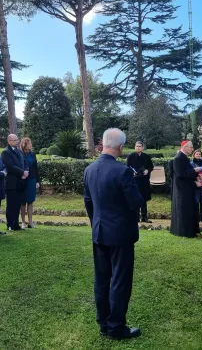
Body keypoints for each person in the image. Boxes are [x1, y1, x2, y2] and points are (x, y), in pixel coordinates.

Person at [83, 128, 144, 340]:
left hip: (99, 231)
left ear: (103, 143)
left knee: (101, 279)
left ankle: (103, 323)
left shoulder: (89, 169)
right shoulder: (123, 171)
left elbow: (88, 203)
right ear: (120, 147)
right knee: (120, 279)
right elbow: (135, 202)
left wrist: (96, 223)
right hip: (120, 234)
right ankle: (116, 327)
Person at [170, 140, 199, 238]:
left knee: (189, 209)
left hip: (187, 187)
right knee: (183, 210)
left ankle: (190, 231)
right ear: (185, 147)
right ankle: (183, 231)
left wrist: (195, 180)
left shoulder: (185, 158)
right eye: (191, 147)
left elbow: (188, 172)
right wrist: (194, 170)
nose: (192, 149)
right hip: (182, 189)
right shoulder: (178, 159)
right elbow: (180, 174)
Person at [1, 134, 29, 231]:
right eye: (14, 140)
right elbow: (10, 166)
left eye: (17, 140)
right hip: (12, 182)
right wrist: (22, 172)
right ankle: (10, 224)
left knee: (18, 204)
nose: (17, 142)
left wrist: (26, 172)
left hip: (21, 181)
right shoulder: (5, 152)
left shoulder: (19, 151)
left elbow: (25, 163)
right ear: (9, 141)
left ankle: (16, 224)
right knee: (11, 204)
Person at [126, 141, 154, 223]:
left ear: (142, 147)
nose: (137, 147)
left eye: (139, 146)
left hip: (144, 180)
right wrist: (132, 172)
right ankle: (136, 217)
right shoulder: (131, 156)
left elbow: (151, 167)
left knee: (144, 199)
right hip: (135, 180)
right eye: (136, 146)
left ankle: (144, 217)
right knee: (136, 198)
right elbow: (128, 167)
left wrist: (147, 170)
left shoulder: (146, 157)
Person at [20, 137, 40, 229]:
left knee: (31, 201)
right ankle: (23, 222)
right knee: (23, 201)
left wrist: (37, 181)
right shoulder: (21, 154)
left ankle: (30, 222)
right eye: (29, 143)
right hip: (24, 180)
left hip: (32, 179)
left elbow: (36, 168)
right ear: (25, 144)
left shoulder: (32, 154)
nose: (31, 145)